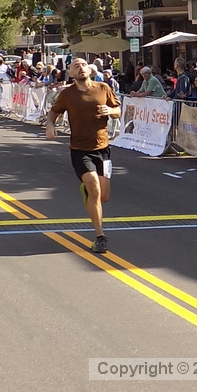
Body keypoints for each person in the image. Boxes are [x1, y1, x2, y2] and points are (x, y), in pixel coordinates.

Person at [45, 59, 121, 254]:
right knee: (94, 187)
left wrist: (110, 110)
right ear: (71, 73)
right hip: (80, 149)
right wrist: (50, 125)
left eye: (83, 65)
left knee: (103, 196)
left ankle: (86, 190)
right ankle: (100, 237)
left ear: (89, 69)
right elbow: (53, 112)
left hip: (103, 148)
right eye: (76, 66)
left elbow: (118, 111)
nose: (80, 68)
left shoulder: (103, 88)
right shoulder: (67, 94)